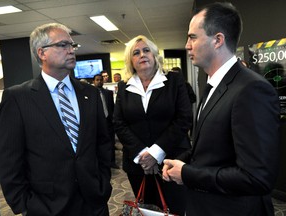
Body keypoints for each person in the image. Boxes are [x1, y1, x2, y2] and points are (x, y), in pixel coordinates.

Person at [162, 2, 280, 216]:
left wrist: (187, 174)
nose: (187, 45)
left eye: (192, 37)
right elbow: (214, 148)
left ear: (218, 40)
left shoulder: (251, 89)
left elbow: (256, 177)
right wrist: (183, 160)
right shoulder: (213, 86)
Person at [0, 23, 112, 216]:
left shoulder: (90, 93)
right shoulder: (18, 97)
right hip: (46, 206)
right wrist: (24, 206)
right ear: (42, 53)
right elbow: (8, 158)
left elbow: (102, 142)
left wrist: (103, 182)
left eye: (72, 46)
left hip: (94, 202)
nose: (71, 51)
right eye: (63, 45)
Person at [114, 35, 192, 215]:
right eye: (136, 52)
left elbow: (184, 118)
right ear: (130, 61)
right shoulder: (124, 86)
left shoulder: (174, 80)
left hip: (172, 161)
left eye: (146, 50)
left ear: (155, 55)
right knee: (147, 210)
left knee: (177, 208)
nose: (142, 55)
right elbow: (119, 123)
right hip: (137, 164)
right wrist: (144, 155)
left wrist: (155, 153)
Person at [92, 73, 119, 169]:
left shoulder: (108, 93)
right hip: (96, 122)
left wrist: (113, 120)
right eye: (97, 80)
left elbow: (112, 107)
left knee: (111, 142)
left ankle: (112, 162)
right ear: (93, 81)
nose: (99, 81)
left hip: (108, 121)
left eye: (101, 80)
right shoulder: (90, 94)